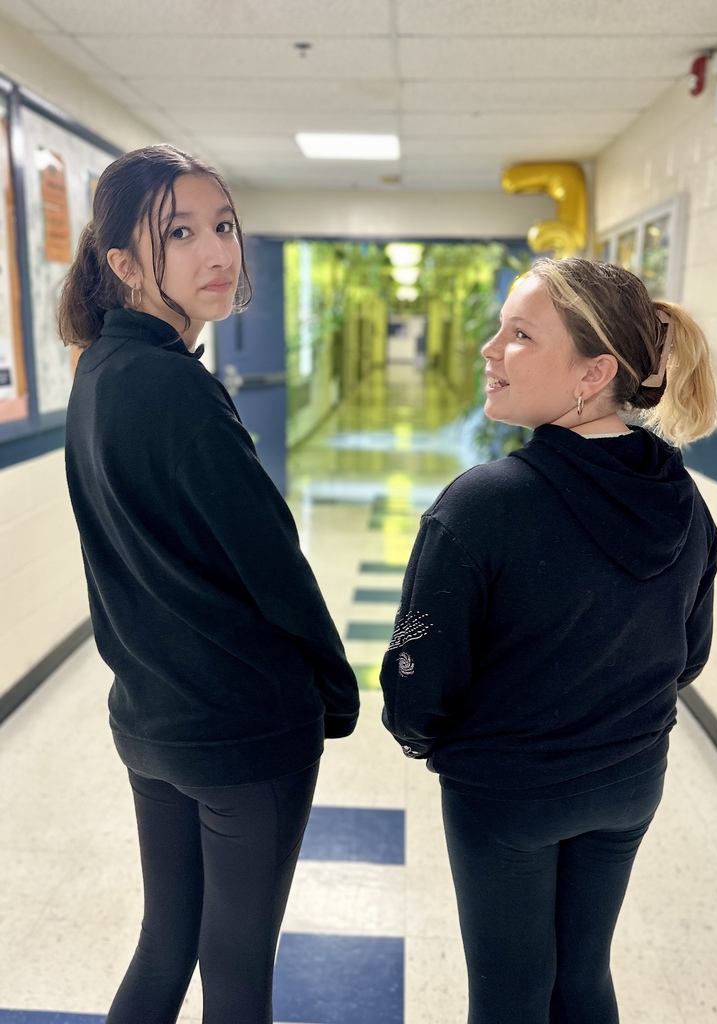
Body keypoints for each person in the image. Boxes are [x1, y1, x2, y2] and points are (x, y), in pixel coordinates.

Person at [60, 144, 359, 1024]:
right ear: (122, 265)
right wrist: (334, 685)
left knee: (166, 944)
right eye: (180, 234)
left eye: (223, 226)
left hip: (153, 722)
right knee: (236, 973)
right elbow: (272, 561)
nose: (217, 252)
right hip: (239, 730)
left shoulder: (100, 370)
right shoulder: (178, 390)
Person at [380, 258, 717, 1024]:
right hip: (631, 783)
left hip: (508, 798)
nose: (489, 348)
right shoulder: (685, 503)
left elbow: (414, 674)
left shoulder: (481, 506)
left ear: (594, 372)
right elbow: (687, 657)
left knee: (510, 995)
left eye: (521, 334)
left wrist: (431, 739)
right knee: (582, 980)